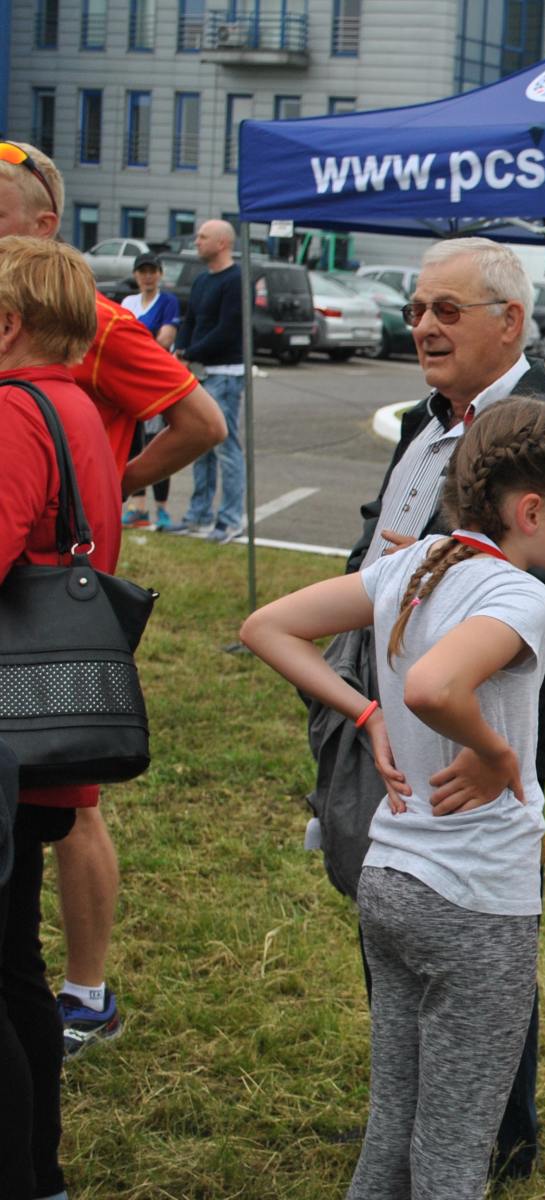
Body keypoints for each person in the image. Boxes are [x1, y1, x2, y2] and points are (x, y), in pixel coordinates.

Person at [242, 397, 545, 1199]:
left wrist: (365, 711)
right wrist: (497, 753)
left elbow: (266, 625)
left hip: (391, 881)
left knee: (393, 1130)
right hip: (474, 902)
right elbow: (438, 686)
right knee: (452, 1154)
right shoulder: (521, 598)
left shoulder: (416, 565)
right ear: (531, 511)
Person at [344, 236, 545, 1182]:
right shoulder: (427, 426)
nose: (424, 326)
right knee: (421, 976)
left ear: (510, 322)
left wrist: (490, 737)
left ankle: (494, 1130)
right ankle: (429, 1126)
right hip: (408, 747)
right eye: (417, 308)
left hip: (473, 751)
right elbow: (375, 560)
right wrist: (366, 703)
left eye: (447, 310)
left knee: (475, 965)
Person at [0, 140, 227, 1061]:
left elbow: (203, 422)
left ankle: (86, 991)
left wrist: (104, 485)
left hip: (47, 603)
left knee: (70, 789)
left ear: (44, 225)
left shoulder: (83, 320)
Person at [0, 235, 121, 1200]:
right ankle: (38, 1171)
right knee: (14, 968)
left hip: (4, 736)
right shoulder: (74, 404)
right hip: (38, 724)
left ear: (8, 324)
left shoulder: (12, 410)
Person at [171, 219, 247, 543]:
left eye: (203, 237)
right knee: (200, 445)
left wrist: (191, 352)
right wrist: (180, 350)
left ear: (222, 243)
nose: (197, 241)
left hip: (225, 374)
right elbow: (190, 320)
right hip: (199, 373)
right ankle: (198, 515)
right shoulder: (202, 279)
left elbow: (227, 329)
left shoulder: (235, 280)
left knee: (225, 448)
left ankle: (230, 520)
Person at [120, 254, 180, 531]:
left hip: (155, 381)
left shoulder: (167, 301)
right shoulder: (128, 303)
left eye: (152, 271)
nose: (147, 276)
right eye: (142, 271)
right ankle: (138, 506)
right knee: (134, 444)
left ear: (160, 274)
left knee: (157, 442)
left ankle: (162, 509)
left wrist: (136, 351)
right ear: (135, 275)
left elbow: (165, 339)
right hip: (130, 381)